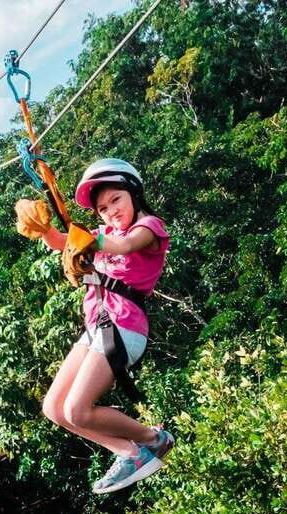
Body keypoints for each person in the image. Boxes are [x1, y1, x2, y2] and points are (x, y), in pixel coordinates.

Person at [15, 158, 174, 494]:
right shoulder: (102, 234)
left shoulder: (148, 228)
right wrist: (45, 229)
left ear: (132, 192)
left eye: (116, 199)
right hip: (97, 326)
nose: (110, 211)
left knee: (78, 409)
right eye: (102, 208)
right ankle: (127, 451)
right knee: (55, 409)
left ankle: (152, 439)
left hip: (124, 326)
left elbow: (126, 245)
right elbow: (64, 242)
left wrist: (89, 242)